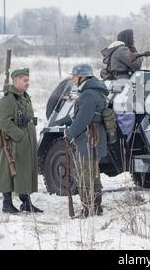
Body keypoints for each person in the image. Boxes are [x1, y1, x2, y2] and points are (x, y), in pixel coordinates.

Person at [0, 68, 43, 214]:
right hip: (13, 144)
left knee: (25, 171)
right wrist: (20, 136)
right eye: (25, 80)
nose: (27, 83)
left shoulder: (25, 97)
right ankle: (7, 204)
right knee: (8, 172)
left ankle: (26, 202)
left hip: (26, 142)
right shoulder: (8, 99)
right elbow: (4, 122)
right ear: (15, 81)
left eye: (28, 80)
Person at [66, 64, 109, 217]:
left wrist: (69, 134)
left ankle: (88, 209)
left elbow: (82, 120)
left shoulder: (88, 94)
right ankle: (96, 208)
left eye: (74, 76)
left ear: (82, 77)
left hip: (88, 139)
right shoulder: (96, 92)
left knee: (85, 174)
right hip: (95, 138)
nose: (73, 78)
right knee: (93, 174)